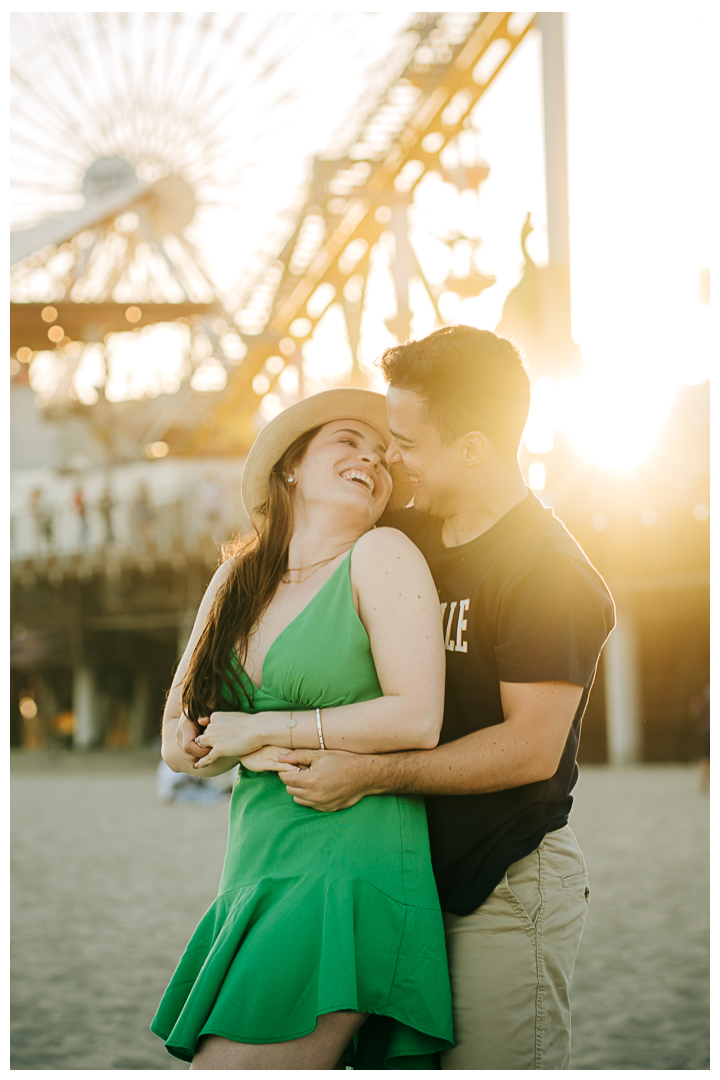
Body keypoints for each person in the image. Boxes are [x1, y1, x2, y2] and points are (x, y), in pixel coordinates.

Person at [277, 326, 616, 1070]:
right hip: (391, 879)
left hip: (501, 882)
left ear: (472, 448)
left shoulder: (547, 571)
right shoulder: (404, 532)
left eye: (405, 441)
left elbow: (530, 747)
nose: (387, 456)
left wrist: (369, 772)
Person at [151, 388, 454, 1070]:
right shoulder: (236, 579)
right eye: (349, 441)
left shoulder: (382, 554)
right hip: (254, 866)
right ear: (293, 465)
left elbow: (418, 716)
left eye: (383, 458)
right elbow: (180, 728)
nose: (372, 461)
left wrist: (261, 735)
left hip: (350, 862)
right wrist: (191, 744)